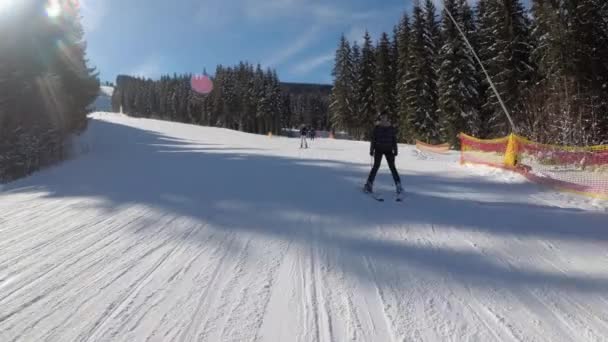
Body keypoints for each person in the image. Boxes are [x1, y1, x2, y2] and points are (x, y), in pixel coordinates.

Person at [364, 113, 403, 194]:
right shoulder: (378, 128)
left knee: (391, 168)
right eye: (382, 117)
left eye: (385, 117)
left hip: (387, 150)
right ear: (381, 118)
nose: (384, 119)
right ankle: (369, 184)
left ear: (387, 118)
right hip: (379, 149)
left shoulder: (389, 128)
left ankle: (398, 185)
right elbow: (373, 140)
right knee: (376, 167)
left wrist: (395, 150)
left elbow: (394, 140)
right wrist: (371, 150)